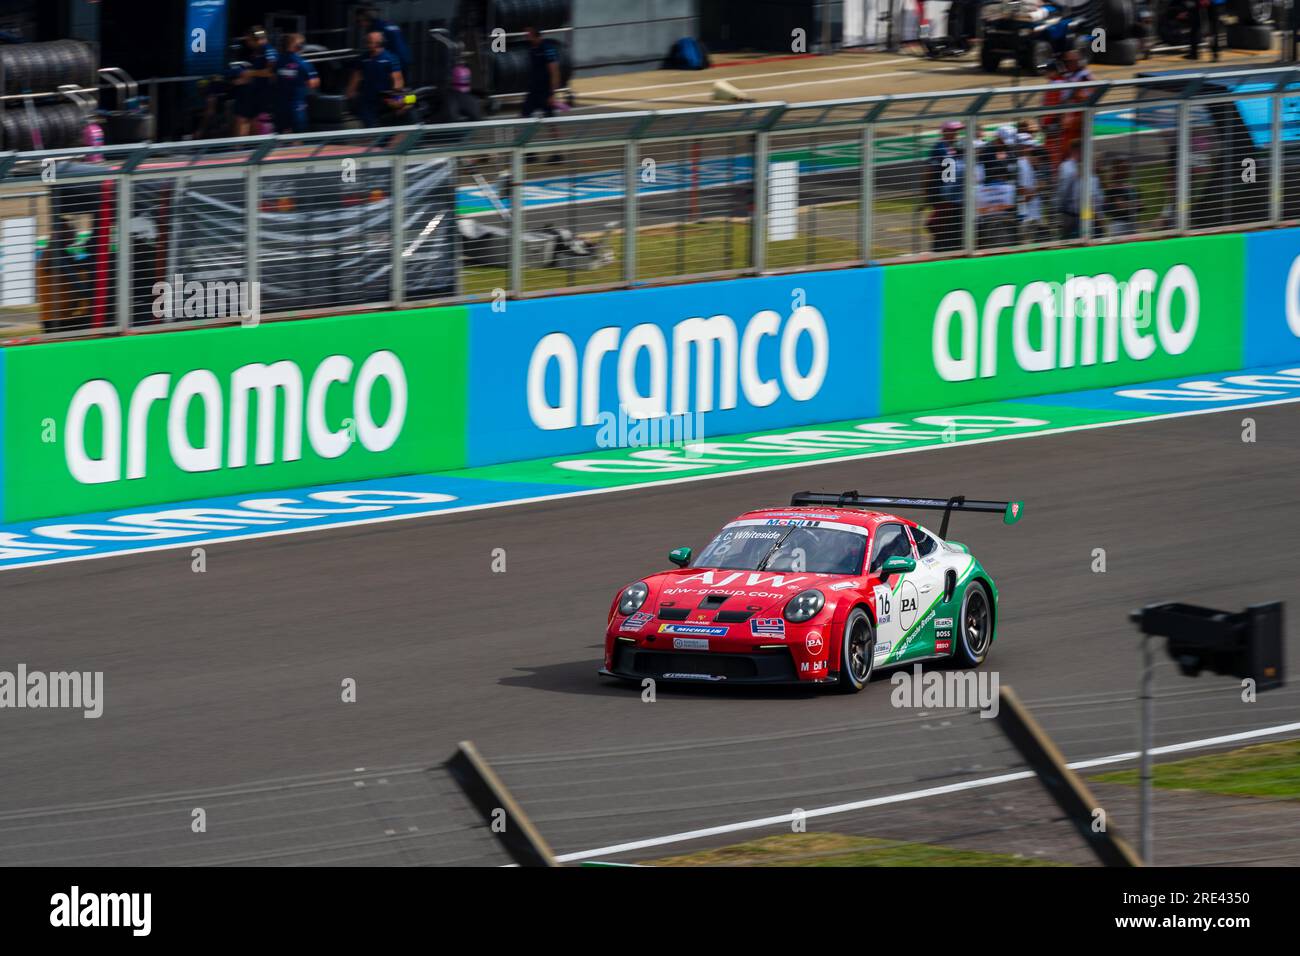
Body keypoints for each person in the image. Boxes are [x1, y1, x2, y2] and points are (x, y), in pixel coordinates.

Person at [347, 30, 404, 127]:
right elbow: (356, 76)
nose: (367, 42)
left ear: (379, 42)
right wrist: (350, 92)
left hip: (384, 99)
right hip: (367, 99)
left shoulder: (390, 58)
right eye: (367, 41)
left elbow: (398, 80)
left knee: (385, 126)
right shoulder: (363, 58)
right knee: (369, 126)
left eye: (370, 41)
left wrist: (395, 97)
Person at [926, 120, 965, 253]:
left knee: (956, 229)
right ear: (944, 132)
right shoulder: (939, 148)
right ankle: (939, 253)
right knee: (943, 229)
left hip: (958, 199)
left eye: (956, 131)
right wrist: (927, 195)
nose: (955, 134)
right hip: (943, 198)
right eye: (952, 131)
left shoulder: (957, 148)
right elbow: (930, 172)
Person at [232, 27, 277, 137]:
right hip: (254, 93)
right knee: (244, 119)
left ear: (257, 39)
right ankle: (240, 149)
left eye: (249, 40)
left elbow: (271, 72)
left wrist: (250, 73)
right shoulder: (257, 52)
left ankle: (244, 149)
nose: (248, 43)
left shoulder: (268, 50)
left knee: (250, 122)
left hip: (263, 96)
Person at [274, 33, 319, 134]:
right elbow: (313, 84)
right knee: (297, 137)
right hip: (296, 106)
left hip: (280, 105)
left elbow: (273, 77)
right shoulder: (303, 63)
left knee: (281, 135)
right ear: (297, 46)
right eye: (301, 43)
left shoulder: (278, 61)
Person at [356, 6, 411, 78]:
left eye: (358, 21)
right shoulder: (389, 23)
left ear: (364, 19)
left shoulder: (375, 29)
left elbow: (375, 49)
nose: (359, 25)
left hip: (394, 62)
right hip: (405, 58)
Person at [522, 26, 561, 119]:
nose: (526, 37)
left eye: (528, 35)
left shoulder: (548, 49)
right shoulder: (532, 49)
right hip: (533, 90)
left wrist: (552, 94)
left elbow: (554, 71)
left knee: (551, 121)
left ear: (534, 35)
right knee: (523, 116)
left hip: (545, 92)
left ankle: (556, 134)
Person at [1014, 132, 1044, 243]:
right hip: (1028, 221)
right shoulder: (1022, 166)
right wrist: (1038, 187)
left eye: (1032, 146)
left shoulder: (1029, 165)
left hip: (1034, 219)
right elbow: (1023, 198)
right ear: (1021, 147)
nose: (1032, 149)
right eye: (1028, 146)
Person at [1104, 155, 1139, 236]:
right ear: (1117, 169)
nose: (1127, 170)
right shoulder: (1114, 187)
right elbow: (1121, 207)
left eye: (1128, 167)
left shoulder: (1129, 186)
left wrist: (1131, 205)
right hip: (1119, 226)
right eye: (1124, 167)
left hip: (1131, 224)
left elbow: (1141, 205)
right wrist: (1134, 205)